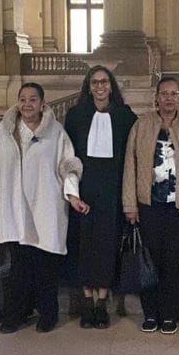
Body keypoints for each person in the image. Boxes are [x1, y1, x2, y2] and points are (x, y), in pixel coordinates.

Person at [0, 82, 85, 333]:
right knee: (19, 265)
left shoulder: (56, 132)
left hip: (45, 205)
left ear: (42, 104)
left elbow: (68, 165)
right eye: (23, 99)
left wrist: (73, 195)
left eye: (33, 99)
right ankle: (16, 314)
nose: (27, 104)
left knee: (45, 264)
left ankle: (48, 314)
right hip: (14, 206)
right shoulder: (4, 131)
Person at [122, 76, 179, 334]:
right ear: (156, 98)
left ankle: (171, 314)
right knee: (150, 261)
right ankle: (150, 313)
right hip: (148, 205)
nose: (169, 98)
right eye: (164, 94)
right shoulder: (141, 125)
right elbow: (130, 165)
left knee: (175, 262)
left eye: (174, 94)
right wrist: (130, 204)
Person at [64, 66, 137, 329]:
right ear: (88, 86)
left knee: (107, 245)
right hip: (84, 189)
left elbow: (133, 154)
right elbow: (68, 157)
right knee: (84, 244)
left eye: (104, 82)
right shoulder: (75, 116)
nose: (100, 87)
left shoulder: (125, 116)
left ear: (111, 85)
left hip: (112, 189)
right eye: (94, 82)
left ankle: (102, 302)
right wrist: (72, 192)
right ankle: (87, 301)